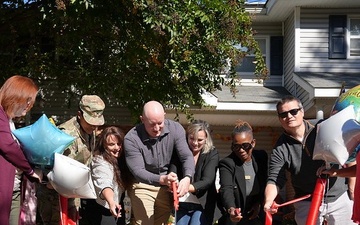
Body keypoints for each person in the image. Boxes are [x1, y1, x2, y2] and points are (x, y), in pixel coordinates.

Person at [263, 95, 356, 225]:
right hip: (306, 202)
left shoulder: (323, 127)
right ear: (279, 119)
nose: (289, 116)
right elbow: (274, 179)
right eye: (283, 114)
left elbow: (350, 151)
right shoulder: (280, 148)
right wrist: (268, 201)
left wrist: (352, 187)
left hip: (339, 197)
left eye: (293, 111)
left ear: (302, 111)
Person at [36, 94, 105, 225]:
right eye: (91, 122)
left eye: (97, 123)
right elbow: (56, 169)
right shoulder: (66, 134)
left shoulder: (89, 131)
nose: (94, 127)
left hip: (71, 194)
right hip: (54, 197)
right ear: (79, 114)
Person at [123, 100, 195, 225]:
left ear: (165, 116)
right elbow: (138, 171)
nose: (156, 129)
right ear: (142, 119)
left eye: (160, 123)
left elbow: (186, 156)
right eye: (152, 124)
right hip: (142, 185)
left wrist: (187, 178)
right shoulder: (131, 138)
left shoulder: (176, 129)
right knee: (145, 222)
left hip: (165, 187)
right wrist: (162, 179)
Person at [0, 75, 42, 225]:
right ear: (16, 97)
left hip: (14, 188)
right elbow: (7, 146)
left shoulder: (8, 119)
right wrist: (30, 170)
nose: (29, 106)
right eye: (27, 101)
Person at [169, 120, 219, 225]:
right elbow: (173, 169)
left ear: (206, 139)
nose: (195, 143)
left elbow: (207, 180)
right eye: (191, 138)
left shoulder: (212, 153)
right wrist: (173, 181)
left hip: (202, 203)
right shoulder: (179, 150)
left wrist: (186, 187)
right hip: (182, 202)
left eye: (200, 140)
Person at [218, 120, 268, 225]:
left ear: (253, 143)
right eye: (236, 146)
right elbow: (226, 189)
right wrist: (231, 209)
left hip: (255, 213)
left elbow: (264, 182)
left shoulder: (261, 157)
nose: (241, 150)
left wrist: (258, 203)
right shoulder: (227, 163)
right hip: (236, 213)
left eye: (245, 146)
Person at [85, 126, 129, 225]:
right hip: (100, 209)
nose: (117, 148)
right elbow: (104, 182)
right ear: (104, 146)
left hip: (118, 207)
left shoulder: (123, 160)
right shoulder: (100, 161)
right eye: (111, 144)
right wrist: (111, 202)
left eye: (119, 143)